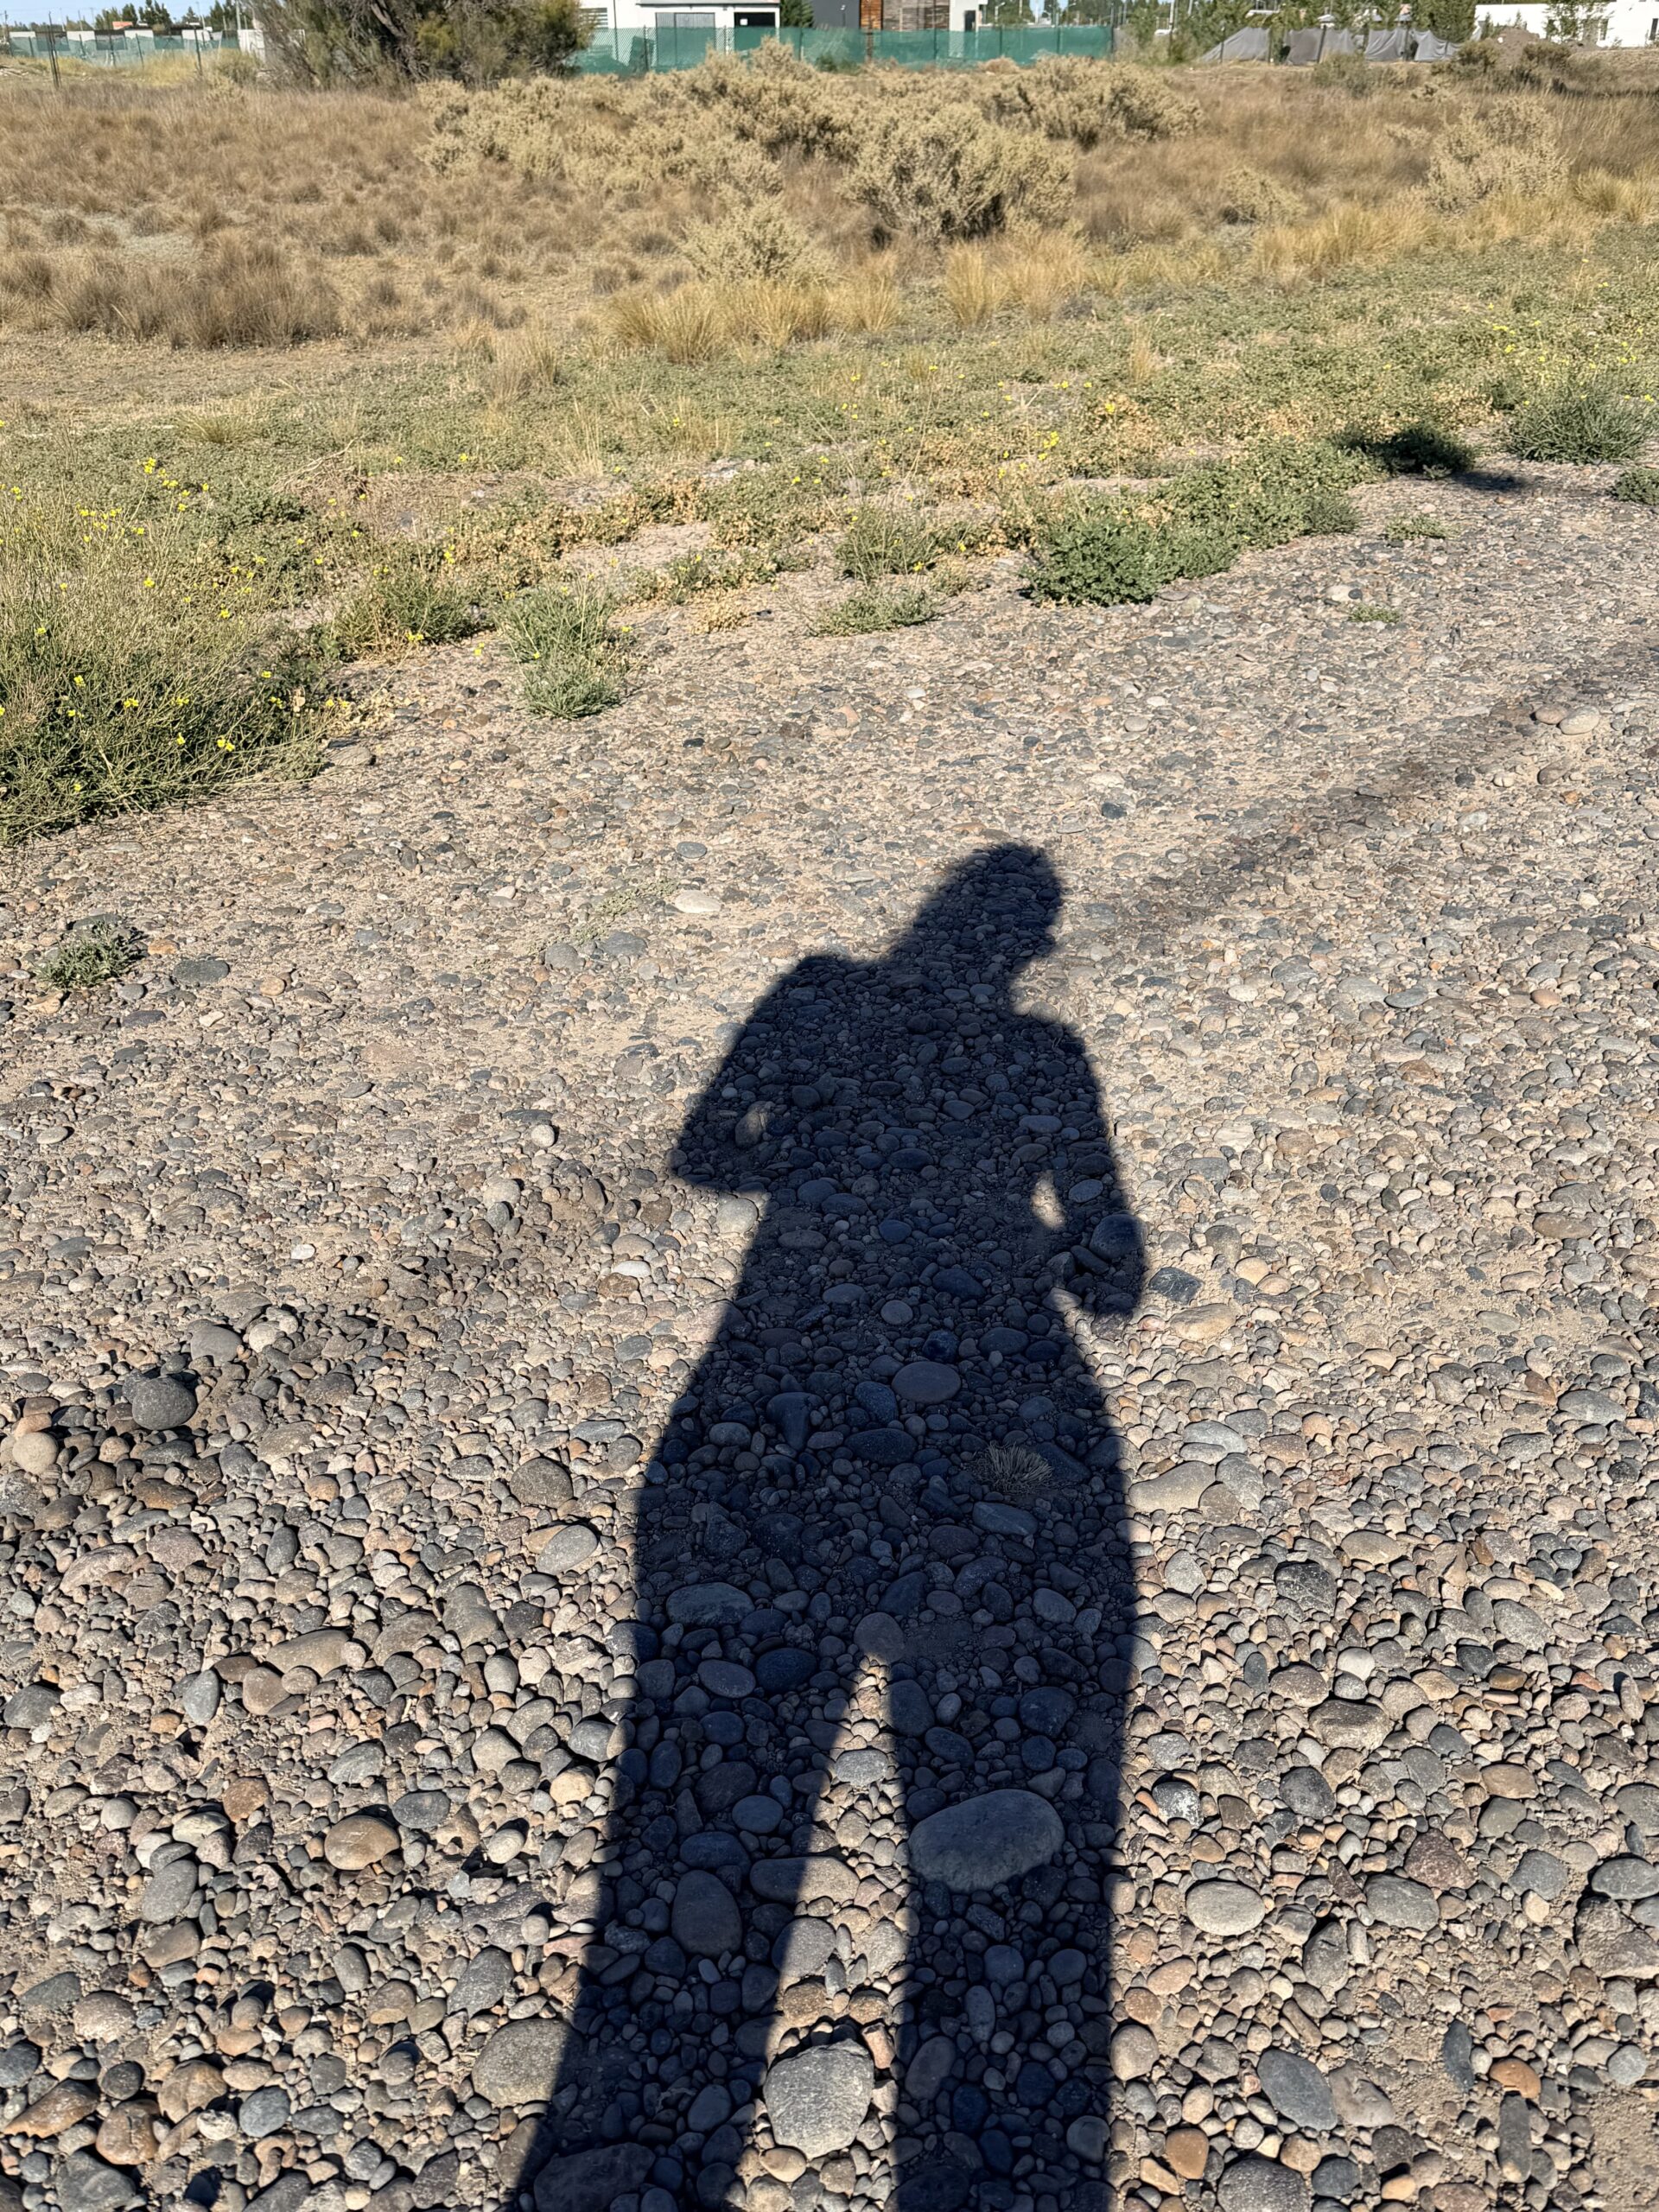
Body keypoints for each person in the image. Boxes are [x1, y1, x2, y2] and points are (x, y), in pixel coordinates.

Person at [517, 844, 1143, 2212]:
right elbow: (1113, 1258)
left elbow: (706, 1154)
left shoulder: (818, 997)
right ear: (1021, 941)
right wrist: (1016, 1237)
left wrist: (834, 1171)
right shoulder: (1040, 1051)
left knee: (695, 1770)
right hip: (994, 1360)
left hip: (776, 1339)